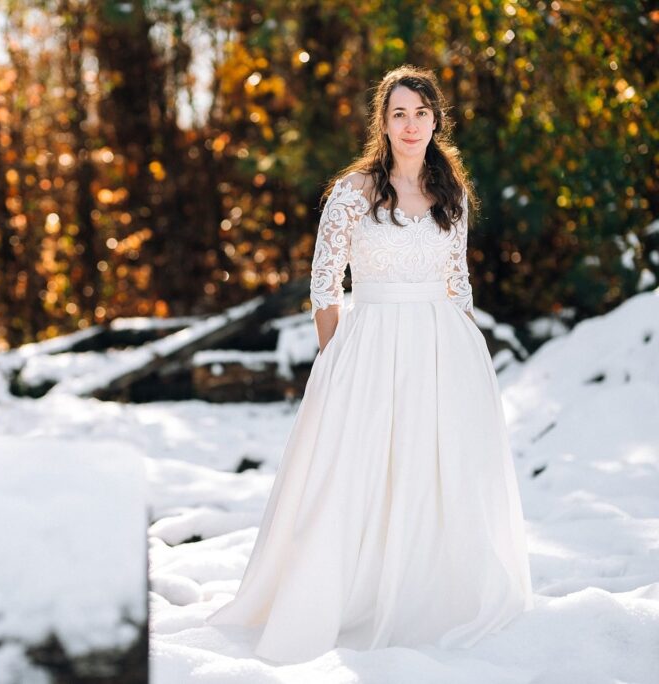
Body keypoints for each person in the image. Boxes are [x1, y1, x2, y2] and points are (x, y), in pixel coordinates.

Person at [204, 64, 534, 664]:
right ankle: (348, 595)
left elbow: (456, 280)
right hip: (372, 343)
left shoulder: (451, 194)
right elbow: (324, 284)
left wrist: (465, 345)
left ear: (437, 121)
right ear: (382, 124)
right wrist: (337, 359)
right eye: (399, 114)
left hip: (442, 348)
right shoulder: (354, 193)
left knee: (433, 470)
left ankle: (426, 593)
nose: (411, 126)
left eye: (422, 113)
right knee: (361, 472)